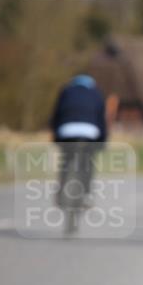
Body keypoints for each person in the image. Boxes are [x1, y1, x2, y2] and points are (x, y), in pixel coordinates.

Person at [48, 74, 110, 215]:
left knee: (65, 162)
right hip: (88, 132)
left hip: (66, 131)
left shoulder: (66, 91)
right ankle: (87, 194)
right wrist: (103, 141)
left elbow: (56, 115)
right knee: (88, 163)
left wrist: (56, 137)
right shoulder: (96, 93)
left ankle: (60, 192)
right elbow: (101, 120)